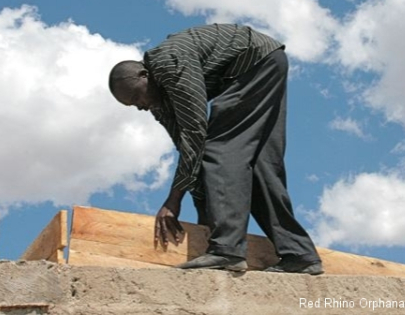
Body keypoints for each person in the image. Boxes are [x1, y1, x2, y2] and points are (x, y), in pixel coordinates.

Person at [109, 24, 323, 274]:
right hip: (266, 65)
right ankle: (299, 254)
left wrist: (173, 201)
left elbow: (197, 134)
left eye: (137, 97)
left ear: (144, 75)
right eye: (133, 106)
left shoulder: (167, 62)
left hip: (255, 64)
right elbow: (190, 153)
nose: (141, 107)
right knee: (258, 167)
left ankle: (227, 251)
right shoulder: (160, 103)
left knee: (221, 150)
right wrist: (205, 222)